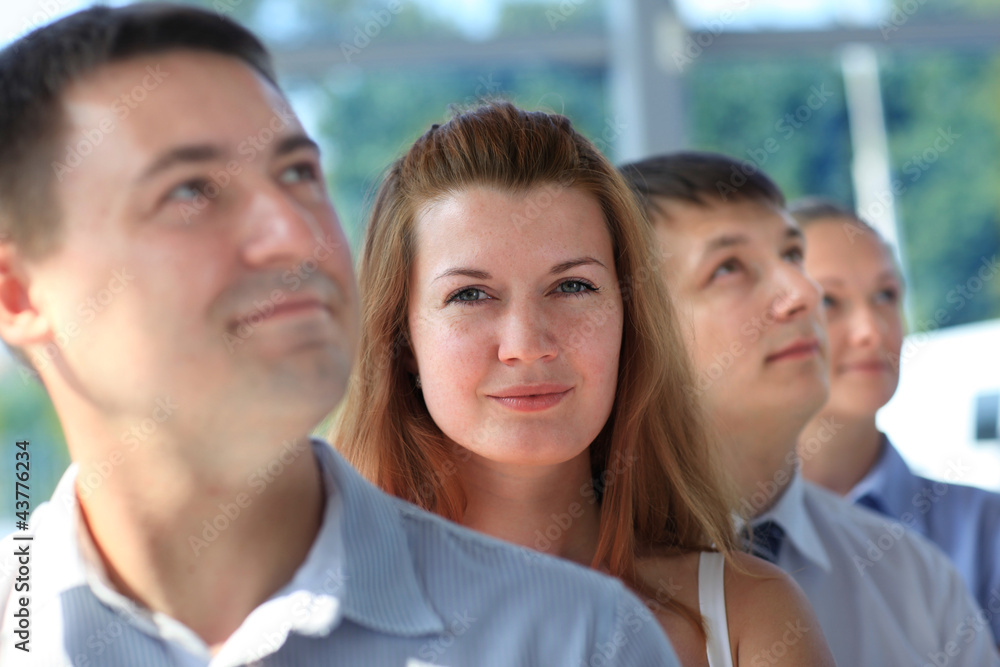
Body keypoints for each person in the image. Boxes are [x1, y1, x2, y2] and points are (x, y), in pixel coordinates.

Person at [0, 5, 682, 665]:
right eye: (189, 192)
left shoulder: (581, 640)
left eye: (297, 173)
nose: (296, 235)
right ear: (20, 293)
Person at [333, 100, 834, 667]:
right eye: (469, 295)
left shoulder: (748, 614)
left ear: (630, 317)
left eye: (572, 286)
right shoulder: (313, 624)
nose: (527, 342)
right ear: (401, 342)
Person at [620, 151, 1000, 666]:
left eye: (793, 255)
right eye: (728, 268)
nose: (804, 292)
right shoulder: (578, 589)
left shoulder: (916, 578)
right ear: (636, 331)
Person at [791, 197, 1000, 645]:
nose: (872, 328)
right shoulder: (722, 536)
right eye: (830, 301)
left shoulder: (986, 529)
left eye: (886, 295)